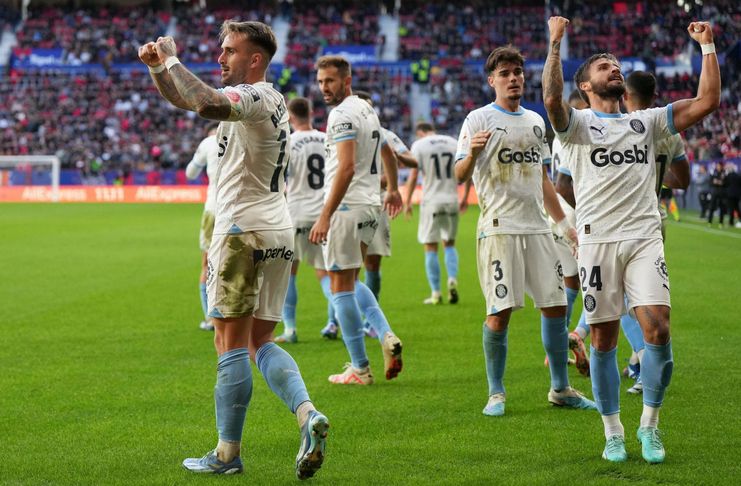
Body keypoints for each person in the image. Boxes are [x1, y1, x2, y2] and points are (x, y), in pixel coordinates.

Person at [138, 20, 329, 479]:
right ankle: (307, 414)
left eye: (229, 51)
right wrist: (159, 68)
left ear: (256, 59)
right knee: (260, 340)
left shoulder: (256, 95)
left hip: (242, 232)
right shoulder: (270, 102)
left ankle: (227, 454)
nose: (221, 58)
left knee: (229, 344)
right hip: (277, 229)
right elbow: (188, 99)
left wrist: (174, 57)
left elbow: (204, 101)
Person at [542, 16, 720, 463]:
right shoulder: (578, 125)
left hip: (644, 237)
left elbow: (707, 101)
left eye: (616, 63)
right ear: (585, 85)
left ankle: (650, 426)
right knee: (602, 339)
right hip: (597, 241)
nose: (614, 68)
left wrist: (708, 47)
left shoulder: (648, 122)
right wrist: (555, 43)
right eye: (603, 66)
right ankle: (613, 432)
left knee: (657, 327)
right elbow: (549, 99)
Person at [454, 45, 597, 419]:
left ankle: (560, 388)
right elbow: (458, 175)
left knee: (556, 306)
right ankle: (496, 392)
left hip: (538, 229)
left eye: (517, 71)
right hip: (499, 230)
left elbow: (544, 181)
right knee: (500, 312)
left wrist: (565, 225)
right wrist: (471, 152)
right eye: (505, 73)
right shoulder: (477, 120)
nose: (513, 78)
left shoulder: (536, 122)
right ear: (492, 81)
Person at [310, 55, 404, 385]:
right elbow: (389, 153)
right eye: (320, 81)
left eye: (330, 81)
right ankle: (384, 332)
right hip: (369, 206)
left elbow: (347, 167)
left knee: (339, 288)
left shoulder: (342, 114)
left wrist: (325, 215)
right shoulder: (367, 110)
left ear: (346, 81)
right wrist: (392, 189)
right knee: (351, 280)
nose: (324, 87)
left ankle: (359, 368)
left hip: (347, 208)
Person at [275, 97, 335, 344]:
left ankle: (290, 330)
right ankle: (333, 323)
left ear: (289, 116)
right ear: (311, 112)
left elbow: (278, 176)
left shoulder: (288, 141)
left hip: (297, 212)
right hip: (323, 214)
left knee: (289, 272)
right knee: (326, 273)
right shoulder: (327, 138)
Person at [354, 90, 418, 303]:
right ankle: (334, 321)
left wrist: (394, 156)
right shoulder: (342, 133)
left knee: (372, 263)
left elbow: (412, 159)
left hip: (377, 203)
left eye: (370, 107)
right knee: (344, 266)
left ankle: (369, 320)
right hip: (348, 203)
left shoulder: (385, 135)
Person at [404, 121, 462, 305]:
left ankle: (436, 293)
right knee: (450, 244)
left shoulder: (419, 145)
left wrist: (407, 201)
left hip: (431, 201)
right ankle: (452, 278)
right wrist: (466, 196)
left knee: (430, 247)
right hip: (452, 199)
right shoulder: (452, 142)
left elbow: (413, 175)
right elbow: (464, 170)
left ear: (420, 132)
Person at [185, 123, 219, 332]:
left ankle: (210, 318)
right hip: (241, 210)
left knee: (207, 264)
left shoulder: (208, 142)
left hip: (214, 209)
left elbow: (190, 173)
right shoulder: (244, 135)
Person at [707, 161, 727, 227]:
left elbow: (725, 183)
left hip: (722, 193)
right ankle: (709, 221)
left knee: (721, 207)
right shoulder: (714, 172)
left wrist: (719, 182)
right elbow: (711, 182)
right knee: (712, 207)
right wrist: (715, 182)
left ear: (721, 166)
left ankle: (720, 222)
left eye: (719, 166)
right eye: (717, 166)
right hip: (714, 192)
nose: (718, 167)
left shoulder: (724, 173)